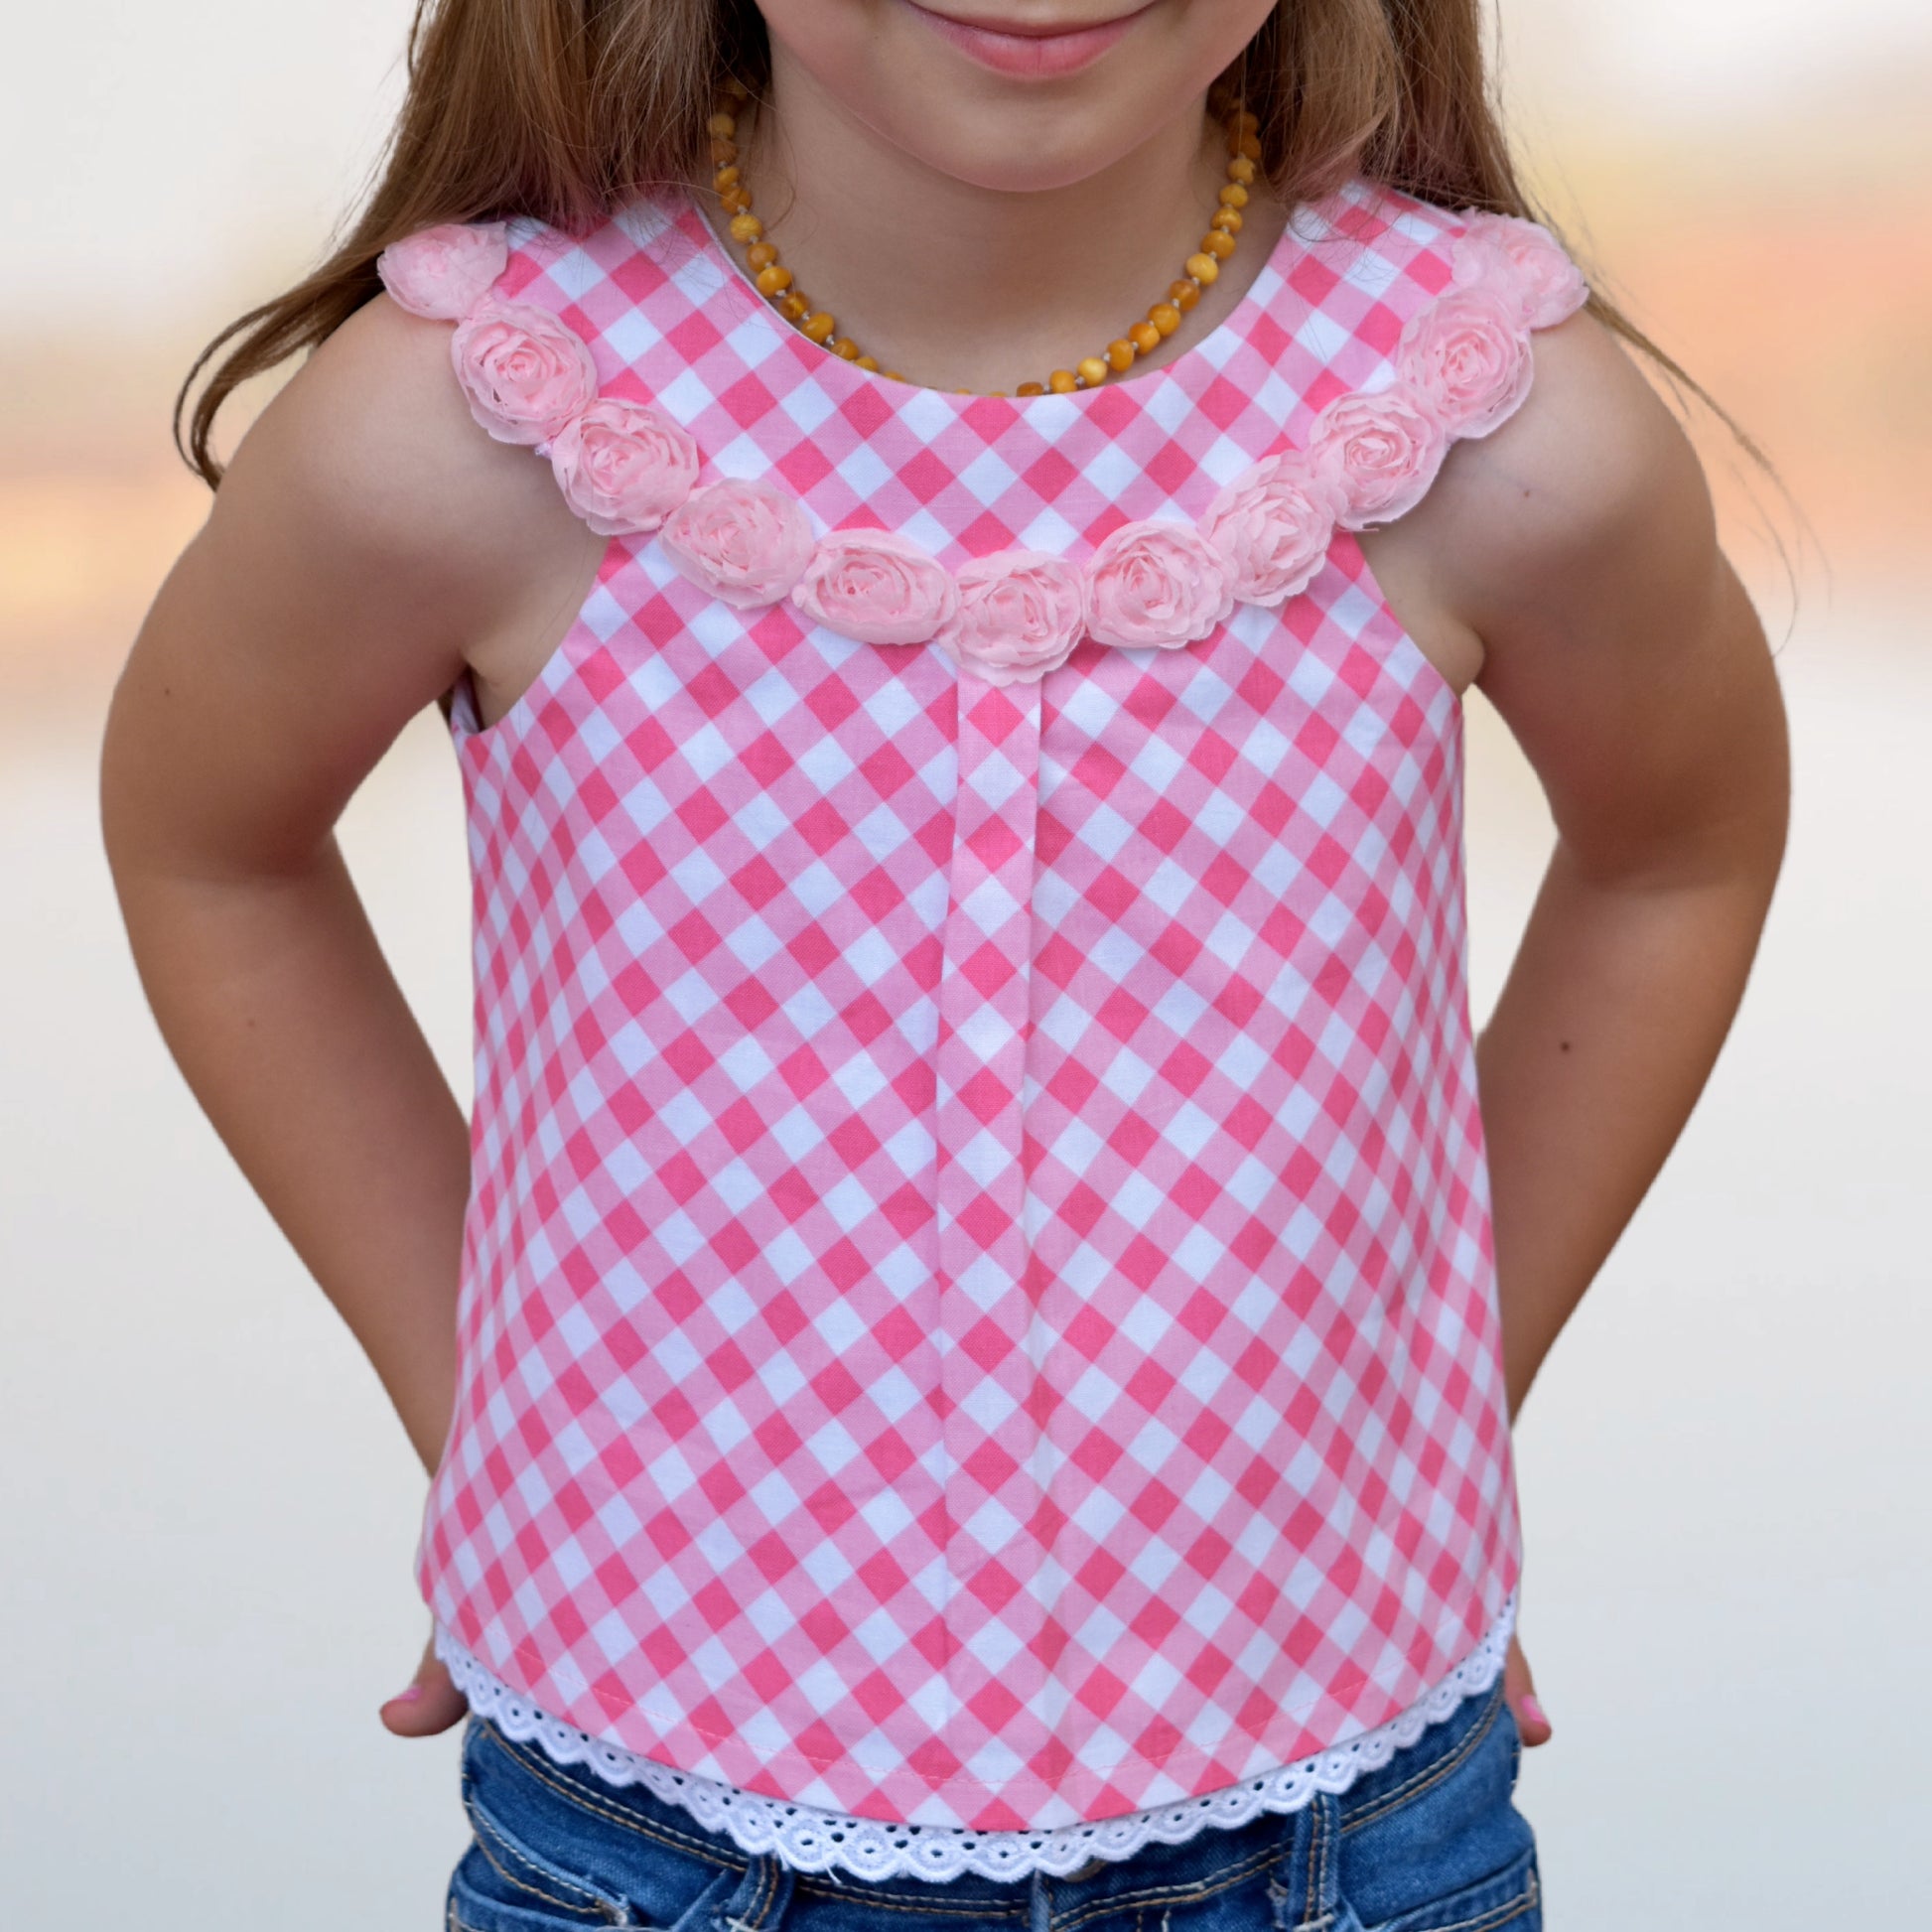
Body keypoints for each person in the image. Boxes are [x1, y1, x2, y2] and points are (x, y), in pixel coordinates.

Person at [100, 0, 1790, 1925]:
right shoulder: (476, 426)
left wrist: (1425, 1412)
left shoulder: (1482, 427)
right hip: (641, 1836)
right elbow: (210, 842)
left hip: (1344, 1834)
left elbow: (1677, 850)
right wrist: (487, 1414)